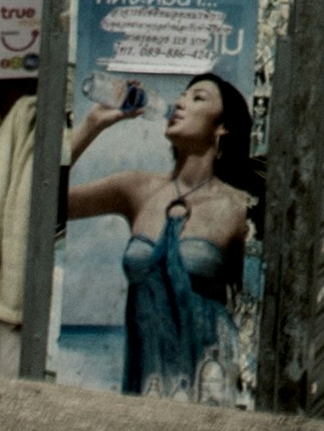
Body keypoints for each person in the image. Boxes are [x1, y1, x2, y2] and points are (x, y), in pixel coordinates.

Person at [62, 68, 263, 397]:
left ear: (222, 127)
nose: (180, 103)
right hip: (146, 378)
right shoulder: (136, 189)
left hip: (211, 383)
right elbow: (44, 204)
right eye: (182, 96)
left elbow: (256, 308)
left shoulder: (239, 208)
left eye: (198, 98)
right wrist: (93, 124)